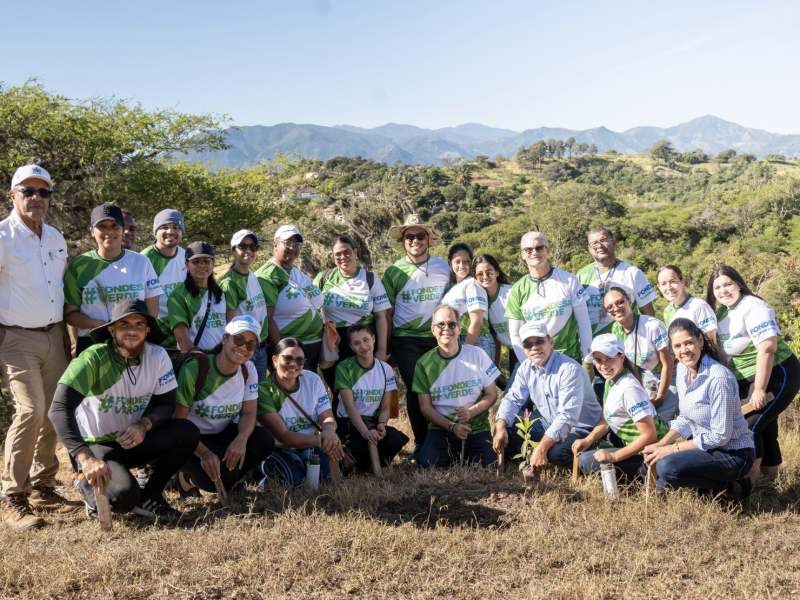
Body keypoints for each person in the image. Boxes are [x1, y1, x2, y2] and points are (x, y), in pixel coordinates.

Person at [48, 298, 200, 518]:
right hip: (96, 446)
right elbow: (59, 409)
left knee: (186, 431)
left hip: (132, 440)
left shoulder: (157, 356)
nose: (132, 330)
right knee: (125, 499)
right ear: (111, 330)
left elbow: (166, 405)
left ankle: (151, 497)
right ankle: (82, 479)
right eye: (124, 324)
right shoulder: (91, 358)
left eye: (139, 324)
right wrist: (86, 458)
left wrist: (143, 424)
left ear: (148, 330)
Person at [1, 165, 80, 531]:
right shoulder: (2, 236)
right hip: (15, 336)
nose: (36, 198)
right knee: (30, 411)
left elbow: (59, 291)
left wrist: (67, 334)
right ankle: (12, 496)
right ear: (12, 195)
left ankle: (43, 488)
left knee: (52, 410)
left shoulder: (55, 237)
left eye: (43, 191)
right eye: (28, 191)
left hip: (54, 335)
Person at [643, 318, 755, 500]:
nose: (684, 350)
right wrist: (662, 444)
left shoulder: (718, 378)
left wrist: (673, 449)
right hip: (706, 448)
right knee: (661, 469)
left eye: (689, 343)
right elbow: (685, 418)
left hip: (733, 454)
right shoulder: (682, 371)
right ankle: (708, 487)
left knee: (667, 467)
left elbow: (720, 436)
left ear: (700, 341)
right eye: (677, 346)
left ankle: (732, 485)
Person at [707, 265, 800, 483]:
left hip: (778, 373)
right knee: (765, 427)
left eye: (728, 284)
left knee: (748, 427)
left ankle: (750, 482)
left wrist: (759, 389)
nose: (723, 291)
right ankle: (771, 482)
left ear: (739, 283)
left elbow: (767, 349)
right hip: (746, 378)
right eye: (717, 287)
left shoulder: (754, 306)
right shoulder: (721, 312)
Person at [172, 316, 275, 495]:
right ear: (225, 338)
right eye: (239, 339)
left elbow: (249, 413)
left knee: (264, 440)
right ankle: (185, 479)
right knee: (226, 476)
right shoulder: (196, 368)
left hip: (219, 434)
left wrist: (241, 439)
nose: (243, 348)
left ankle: (229, 479)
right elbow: (177, 423)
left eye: (250, 345)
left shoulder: (248, 370)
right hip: (187, 438)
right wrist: (204, 452)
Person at [382, 214, 451, 460]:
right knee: (416, 388)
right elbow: (387, 313)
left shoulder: (445, 267)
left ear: (428, 239)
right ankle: (422, 444)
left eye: (420, 235)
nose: (415, 240)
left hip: (438, 338)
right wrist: (387, 347)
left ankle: (442, 440)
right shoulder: (392, 272)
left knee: (440, 389)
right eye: (409, 236)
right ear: (402, 241)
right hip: (406, 339)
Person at [493, 322, 601, 471]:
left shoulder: (569, 370)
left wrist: (542, 448)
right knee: (507, 422)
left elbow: (567, 417)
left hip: (580, 427)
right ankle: (517, 463)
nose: (534, 347)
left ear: (551, 342)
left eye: (539, 341)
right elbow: (512, 399)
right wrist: (500, 425)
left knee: (557, 453)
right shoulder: (526, 367)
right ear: (523, 349)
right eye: (528, 344)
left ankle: (586, 455)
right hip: (548, 420)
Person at [64, 203, 163, 355]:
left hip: (133, 343)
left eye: (115, 226)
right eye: (102, 226)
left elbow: (152, 314)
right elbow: (70, 315)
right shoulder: (79, 265)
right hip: (93, 345)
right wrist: (102, 326)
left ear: (123, 230)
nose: (109, 231)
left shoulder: (142, 262)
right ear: (92, 231)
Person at [413, 305, 499, 468]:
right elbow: (425, 407)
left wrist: (471, 412)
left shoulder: (478, 354)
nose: (447, 329)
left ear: (459, 329)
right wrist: (452, 427)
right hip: (442, 430)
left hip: (477, 428)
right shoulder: (423, 363)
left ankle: (463, 457)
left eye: (452, 324)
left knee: (490, 467)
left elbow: (491, 394)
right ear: (433, 330)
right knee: (427, 465)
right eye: (441, 325)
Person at [572, 334, 669, 480]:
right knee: (588, 451)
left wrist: (614, 456)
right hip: (636, 449)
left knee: (587, 461)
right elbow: (605, 421)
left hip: (653, 455)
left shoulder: (629, 389)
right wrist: (588, 440)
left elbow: (650, 435)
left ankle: (652, 477)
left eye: (609, 359)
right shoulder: (610, 381)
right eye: (598, 360)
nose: (603, 366)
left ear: (622, 358)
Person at [254, 338, 344, 487]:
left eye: (299, 360)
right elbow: (284, 437)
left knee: (329, 479)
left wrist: (329, 431)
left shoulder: (313, 379)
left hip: (313, 444)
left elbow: (327, 416)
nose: (294, 364)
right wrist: (323, 440)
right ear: (275, 360)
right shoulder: (263, 390)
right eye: (287, 359)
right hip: (279, 448)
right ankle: (258, 475)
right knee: (295, 483)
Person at [313, 236, 391, 401]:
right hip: (334, 346)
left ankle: (371, 427)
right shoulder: (323, 278)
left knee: (365, 394)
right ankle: (340, 427)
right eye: (337, 254)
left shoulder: (370, 279)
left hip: (363, 344)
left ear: (355, 252)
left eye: (347, 252)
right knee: (339, 395)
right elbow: (310, 310)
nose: (343, 257)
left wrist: (382, 350)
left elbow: (381, 317)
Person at [507, 232, 592, 367]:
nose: (534, 252)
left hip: (569, 359)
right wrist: (526, 364)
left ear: (547, 250)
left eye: (539, 248)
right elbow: (515, 334)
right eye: (528, 250)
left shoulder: (569, 280)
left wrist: (588, 359)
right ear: (522, 254)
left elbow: (584, 322)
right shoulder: (517, 289)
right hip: (537, 362)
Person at [334, 324, 409, 471]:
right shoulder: (344, 368)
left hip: (373, 422)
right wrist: (366, 432)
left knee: (394, 439)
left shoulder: (385, 368)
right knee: (361, 452)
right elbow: (349, 407)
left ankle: (376, 464)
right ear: (351, 346)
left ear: (373, 339)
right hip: (350, 424)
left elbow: (386, 407)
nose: (363, 346)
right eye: (357, 343)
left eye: (366, 339)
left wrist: (381, 424)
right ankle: (362, 464)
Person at [255, 225, 324, 372]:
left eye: (297, 245)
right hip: (291, 354)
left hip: (313, 349)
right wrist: (284, 354)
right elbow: (266, 317)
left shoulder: (295, 272)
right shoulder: (267, 276)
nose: (293, 247)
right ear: (275, 244)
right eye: (287, 243)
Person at [603, 287, 678, 422]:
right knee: (645, 416)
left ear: (629, 301)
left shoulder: (652, 326)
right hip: (648, 377)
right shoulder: (616, 328)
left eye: (620, 302)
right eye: (609, 307)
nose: (616, 308)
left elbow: (668, 363)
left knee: (659, 420)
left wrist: (660, 397)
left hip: (671, 374)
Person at [575, 227, 657, 336]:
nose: (599, 246)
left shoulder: (632, 273)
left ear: (613, 243)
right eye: (594, 243)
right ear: (589, 248)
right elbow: (577, 315)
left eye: (604, 240)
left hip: (628, 343)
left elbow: (648, 313)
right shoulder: (581, 275)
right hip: (595, 346)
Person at [219, 230, 269, 381]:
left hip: (260, 348)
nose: (248, 251)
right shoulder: (229, 283)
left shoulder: (251, 275)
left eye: (253, 247)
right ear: (233, 251)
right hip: (245, 349)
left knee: (256, 396)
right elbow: (231, 323)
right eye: (242, 246)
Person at [165, 242, 227, 352]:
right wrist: (197, 361)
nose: (202, 265)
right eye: (196, 261)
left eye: (206, 261)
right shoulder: (178, 296)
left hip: (223, 357)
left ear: (213, 263)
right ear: (187, 265)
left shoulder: (220, 293)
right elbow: (182, 338)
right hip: (197, 360)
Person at [141, 209, 187, 342]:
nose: (170, 232)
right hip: (155, 330)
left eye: (176, 227)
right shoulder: (144, 259)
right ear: (155, 232)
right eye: (164, 227)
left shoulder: (186, 256)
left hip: (183, 328)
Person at [440, 243, 492, 358]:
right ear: (450, 262)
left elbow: (477, 323)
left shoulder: (472, 284)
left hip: (477, 341)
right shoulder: (453, 287)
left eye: (466, 261)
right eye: (457, 261)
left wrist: (465, 350)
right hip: (459, 341)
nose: (461, 265)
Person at [474, 254, 516, 389]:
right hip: (513, 352)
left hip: (530, 348)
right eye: (479, 274)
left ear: (497, 272)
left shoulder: (511, 293)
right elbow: (495, 335)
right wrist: (496, 364)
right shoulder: (480, 302)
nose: (485, 277)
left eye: (489, 272)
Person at [657, 265, 717, 342]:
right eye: (663, 284)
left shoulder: (699, 306)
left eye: (673, 282)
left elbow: (711, 342)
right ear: (659, 287)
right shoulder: (667, 311)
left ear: (682, 282)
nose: (668, 287)